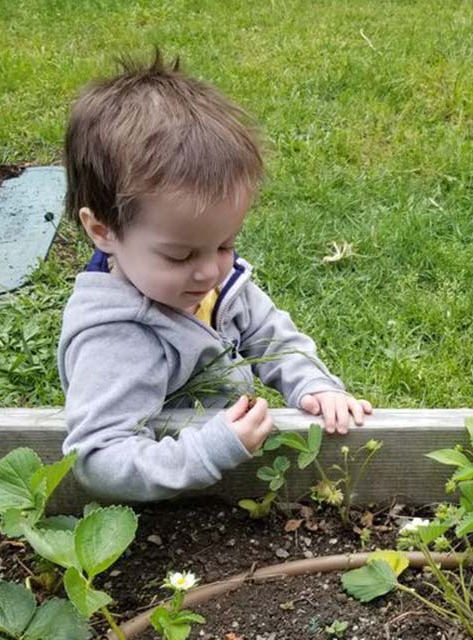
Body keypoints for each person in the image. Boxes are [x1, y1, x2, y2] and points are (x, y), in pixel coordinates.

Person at [58, 52, 371, 501]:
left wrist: (312, 383)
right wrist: (208, 451)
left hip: (232, 473)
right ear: (102, 231)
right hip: (173, 502)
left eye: (226, 244)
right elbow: (98, 459)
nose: (210, 270)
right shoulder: (116, 340)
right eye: (180, 254)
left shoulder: (206, 279)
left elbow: (269, 333)